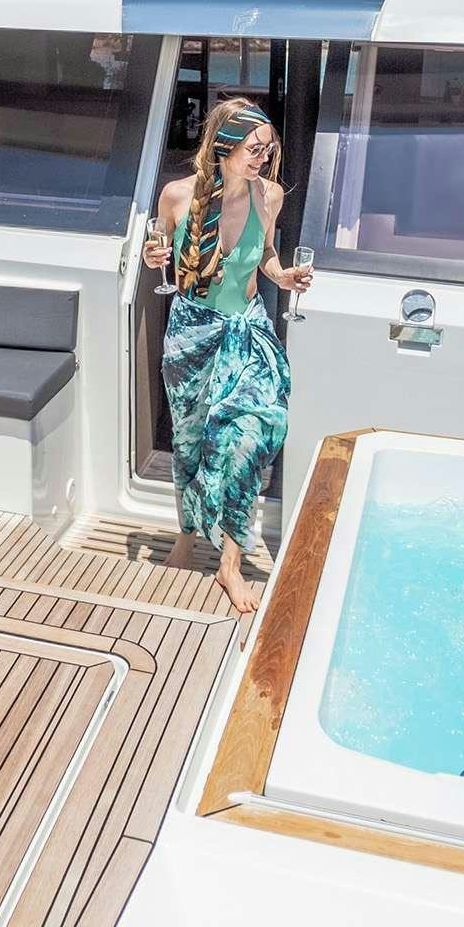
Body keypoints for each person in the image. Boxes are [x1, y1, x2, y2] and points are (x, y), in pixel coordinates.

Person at [142, 97, 313, 615]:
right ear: (225, 148)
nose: (263, 158)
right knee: (191, 444)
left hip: (249, 330)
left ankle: (230, 564)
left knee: (251, 436)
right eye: (254, 149)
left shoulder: (272, 196)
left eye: (268, 149)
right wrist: (155, 256)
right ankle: (188, 538)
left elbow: (262, 257)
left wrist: (283, 276)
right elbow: (159, 253)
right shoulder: (177, 196)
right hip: (193, 335)